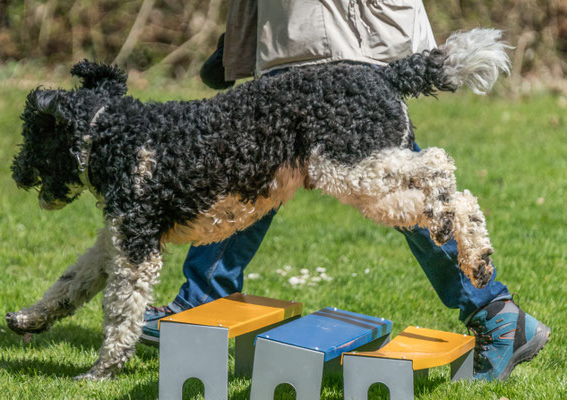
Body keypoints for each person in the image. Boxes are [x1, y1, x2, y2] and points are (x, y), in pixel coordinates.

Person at [141, 0, 550, 381]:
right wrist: (240, 41)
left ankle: (495, 312)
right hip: (303, 43)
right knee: (256, 178)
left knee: (386, 189)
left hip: (330, 41)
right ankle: (202, 302)